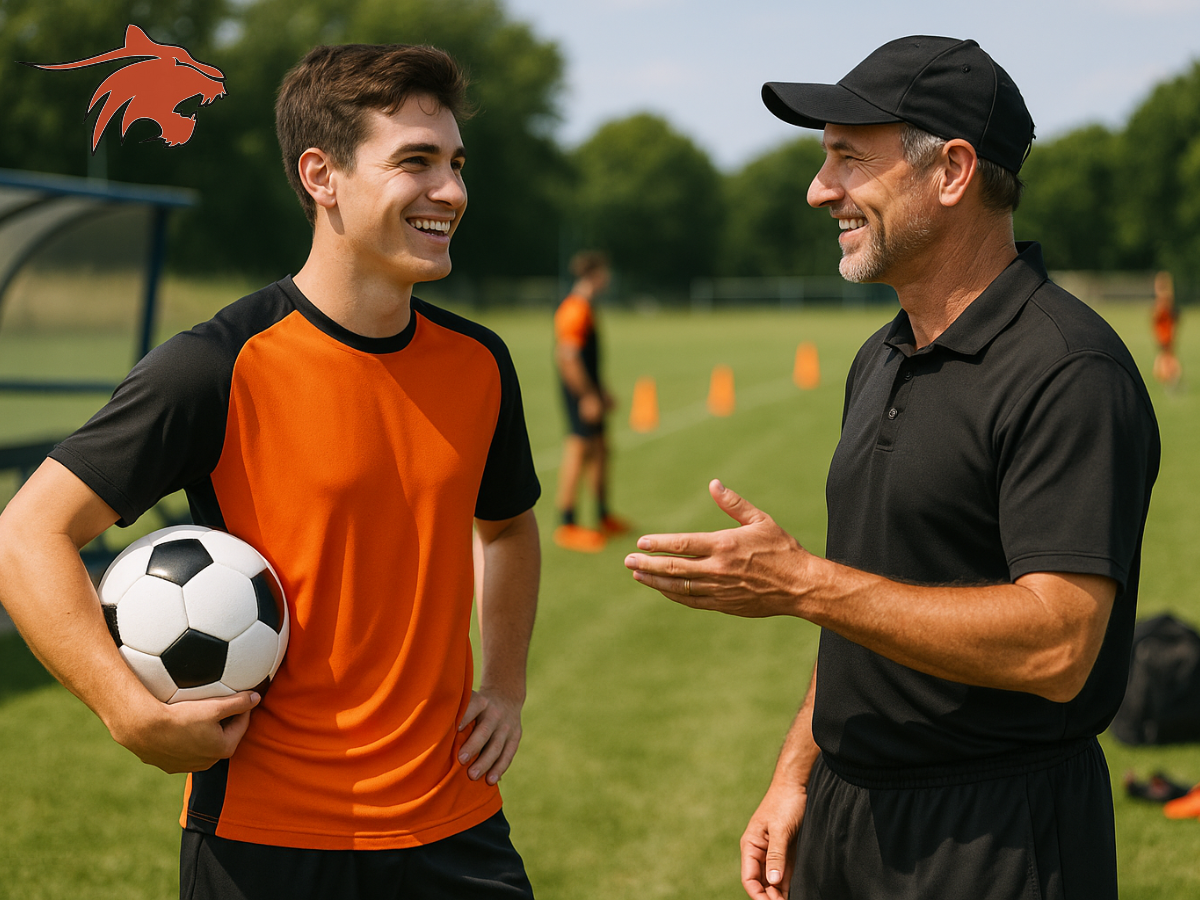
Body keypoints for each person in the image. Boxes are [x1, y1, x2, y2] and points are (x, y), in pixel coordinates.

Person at [0, 43, 542, 900]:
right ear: (321, 176)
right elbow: (26, 533)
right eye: (415, 162)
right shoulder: (215, 366)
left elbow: (506, 524)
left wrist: (504, 685)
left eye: (455, 163)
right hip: (266, 840)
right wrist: (125, 708)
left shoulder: (480, 362)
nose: (451, 192)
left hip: (455, 821)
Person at [624, 35, 1160, 900]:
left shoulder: (1069, 370)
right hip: (846, 814)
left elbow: (1059, 643)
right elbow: (871, 598)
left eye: (847, 158)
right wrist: (796, 771)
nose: (818, 189)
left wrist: (804, 585)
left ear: (951, 171)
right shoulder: (880, 357)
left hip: (994, 838)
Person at [551, 250, 628, 552]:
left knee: (601, 451)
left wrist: (601, 391)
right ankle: (567, 524)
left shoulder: (587, 307)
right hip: (578, 395)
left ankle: (603, 516)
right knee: (578, 451)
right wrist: (587, 396)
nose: (608, 278)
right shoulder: (575, 309)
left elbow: (587, 358)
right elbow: (568, 358)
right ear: (595, 274)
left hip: (590, 392)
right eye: (605, 273)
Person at [1151, 270, 1181, 389]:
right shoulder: (1165, 301)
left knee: (1166, 356)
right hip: (1164, 333)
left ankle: (1168, 376)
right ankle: (1169, 376)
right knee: (1167, 355)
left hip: (1165, 333)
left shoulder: (1164, 301)